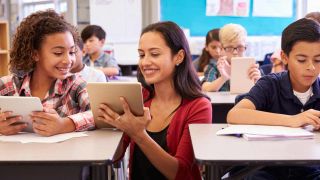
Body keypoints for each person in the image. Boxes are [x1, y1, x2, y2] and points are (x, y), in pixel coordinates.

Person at [97, 21, 212, 180]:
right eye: (142, 55)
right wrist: (116, 128)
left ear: (178, 57)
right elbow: (115, 157)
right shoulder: (140, 97)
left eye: (155, 54)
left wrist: (138, 134)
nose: (144, 62)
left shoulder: (198, 106)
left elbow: (182, 173)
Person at [227, 18, 320, 179]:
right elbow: (234, 115)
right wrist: (292, 120)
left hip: (310, 170)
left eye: (318, 60)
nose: (311, 67)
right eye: (302, 60)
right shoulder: (270, 84)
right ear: (284, 57)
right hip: (266, 167)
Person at [0, 10, 94, 136]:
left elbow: (98, 115)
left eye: (72, 52)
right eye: (58, 53)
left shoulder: (76, 84)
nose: (68, 60)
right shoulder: (7, 85)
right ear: (35, 54)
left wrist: (64, 125)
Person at [202, 23, 261, 92]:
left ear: (245, 46)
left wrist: (258, 81)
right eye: (229, 48)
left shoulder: (253, 65)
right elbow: (205, 88)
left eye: (240, 47)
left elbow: (267, 91)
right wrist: (223, 78)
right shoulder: (215, 67)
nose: (235, 52)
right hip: (223, 103)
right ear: (222, 48)